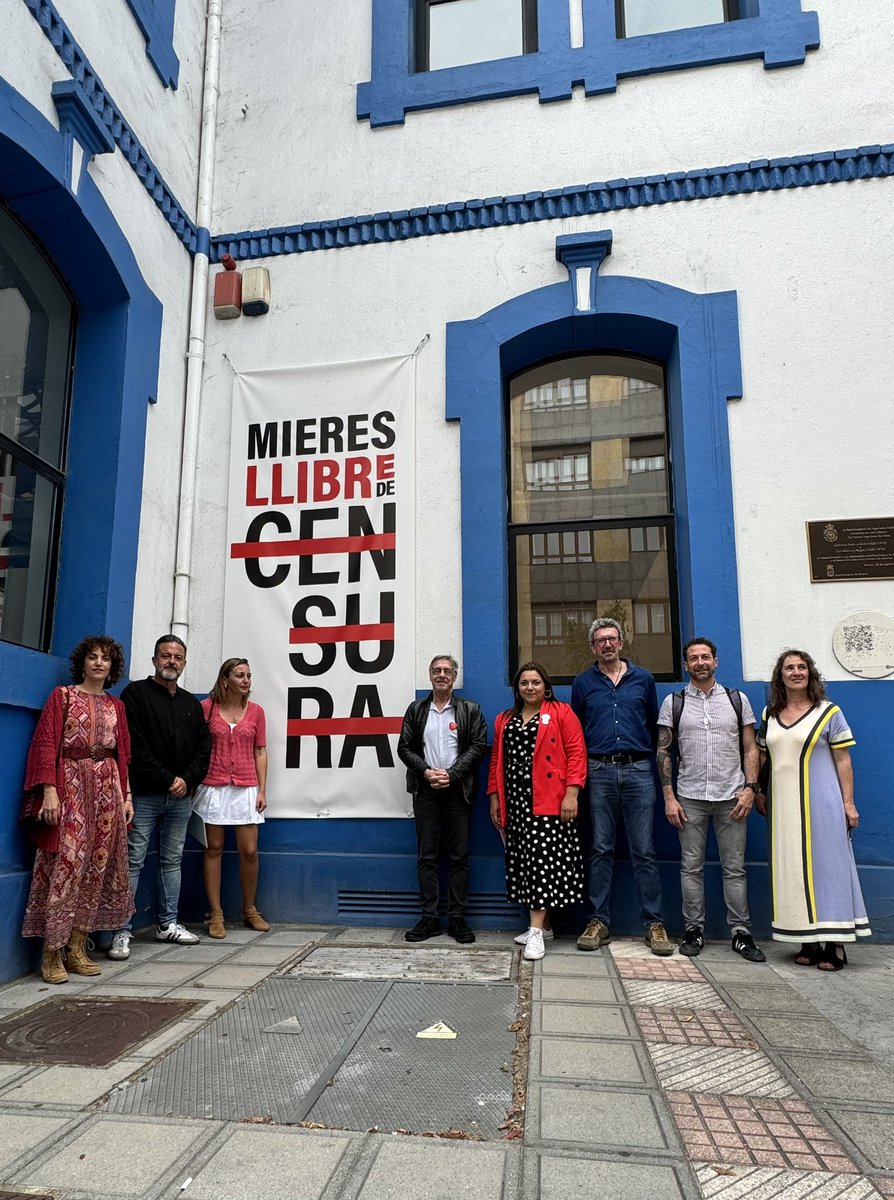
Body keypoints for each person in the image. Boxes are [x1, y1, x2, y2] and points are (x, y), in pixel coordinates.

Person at [20, 636, 134, 983]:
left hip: (107, 791)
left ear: (112, 667)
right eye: (93, 657)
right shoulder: (63, 697)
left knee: (97, 866)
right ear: (82, 662)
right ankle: (51, 952)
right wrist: (49, 792)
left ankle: (76, 947)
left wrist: (126, 796)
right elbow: (45, 744)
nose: (99, 663)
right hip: (69, 787)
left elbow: (123, 755)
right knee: (67, 863)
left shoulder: (117, 707)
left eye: (106, 659)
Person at [756, 649, 870, 970]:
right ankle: (807, 940)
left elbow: (843, 759)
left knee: (828, 868)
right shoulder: (770, 714)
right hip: (783, 807)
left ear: (810, 674)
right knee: (792, 869)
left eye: (801, 667)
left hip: (823, 803)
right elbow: (764, 756)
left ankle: (835, 944)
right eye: (789, 668)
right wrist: (759, 792)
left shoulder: (829, 712)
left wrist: (848, 803)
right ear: (780, 676)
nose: (796, 672)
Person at [657, 637, 765, 962]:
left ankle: (741, 933)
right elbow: (663, 751)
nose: (700, 662)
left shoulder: (737, 699)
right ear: (686, 665)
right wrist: (669, 797)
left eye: (705, 657)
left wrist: (750, 788)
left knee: (735, 868)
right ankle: (694, 929)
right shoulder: (673, 702)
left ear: (715, 661)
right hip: (689, 797)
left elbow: (751, 748)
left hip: (733, 796)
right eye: (693, 658)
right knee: (691, 867)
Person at [571, 617, 672, 955]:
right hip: (598, 770)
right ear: (592, 647)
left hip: (639, 771)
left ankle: (654, 923)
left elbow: (655, 726)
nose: (607, 645)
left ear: (622, 642)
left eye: (612, 639)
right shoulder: (583, 683)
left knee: (643, 849)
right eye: (600, 641)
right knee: (600, 848)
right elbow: (578, 731)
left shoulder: (643, 679)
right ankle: (598, 921)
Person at [108, 635, 211, 960]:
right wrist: (168, 779)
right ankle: (121, 931)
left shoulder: (191, 704)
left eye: (177, 657)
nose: (171, 661)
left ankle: (167, 923)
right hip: (144, 794)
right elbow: (134, 745)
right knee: (134, 860)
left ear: (184, 663)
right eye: (165, 655)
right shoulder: (135, 695)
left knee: (171, 861)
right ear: (154, 660)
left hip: (181, 799)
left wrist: (187, 780)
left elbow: (204, 748)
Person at [488, 662, 586, 961]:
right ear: (517, 688)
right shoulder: (505, 719)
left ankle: (534, 932)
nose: (530, 688)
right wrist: (494, 798)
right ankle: (545, 928)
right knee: (524, 862)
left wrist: (572, 793)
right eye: (524, 683)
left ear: (546, 686)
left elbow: (576, 752)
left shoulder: (561, 712)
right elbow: (496, 760)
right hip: (515, 801)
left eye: (535, 682)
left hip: (549, 799)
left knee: (542, 861)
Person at [397, 655, 487, 944]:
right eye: (437, 670)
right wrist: (425, 772)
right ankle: (430, 918)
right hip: (426, 792)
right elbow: (404, 747)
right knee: (427, 857)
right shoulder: (416, 710)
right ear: (430, 675)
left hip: (458, 791)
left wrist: (453, 774)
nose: (442, 674)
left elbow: (478, 746)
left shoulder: (470, 710)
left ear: (455, 676)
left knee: (459, 857)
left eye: (447, 670)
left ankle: (458, 918)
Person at [192, 658, 269, 938]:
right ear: (225, 679)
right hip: (213, 785)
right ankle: (215, 914)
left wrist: (262, 789)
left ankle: (249, 909)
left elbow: (260, 750)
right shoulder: (206, 709)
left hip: (246, 786)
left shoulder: (256, 712)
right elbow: (197, 748)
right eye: (240, 675)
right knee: (214, 848)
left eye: (249, 675)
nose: (246, 680)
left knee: (249, 850)